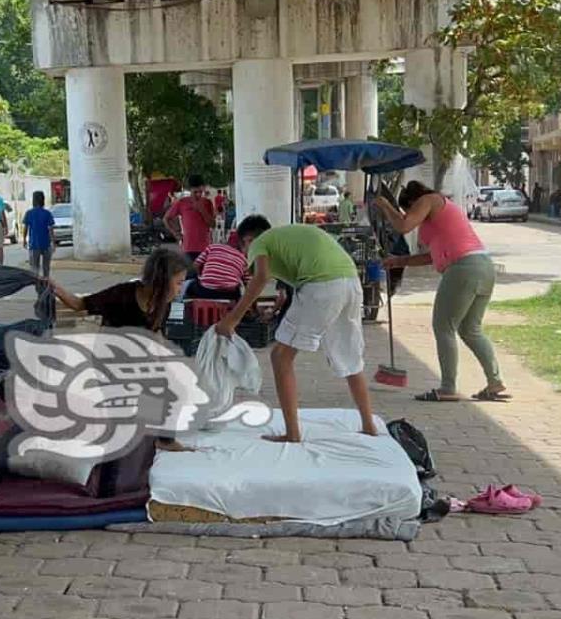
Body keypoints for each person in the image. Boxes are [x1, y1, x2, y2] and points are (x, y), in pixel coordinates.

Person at [215, 216, 377, 441]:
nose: (246, 255)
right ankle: (369, 425)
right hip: (350, 281)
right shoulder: (286, 237)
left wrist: (232, 319)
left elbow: (260, 277)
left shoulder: (260, 243)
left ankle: (292, 433)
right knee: (350, 357)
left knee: (280, 357)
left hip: (321, 285)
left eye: (243, 248)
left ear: (248, 239)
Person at [375, 180, 509, 403]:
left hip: (463, 269)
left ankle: (447, 388)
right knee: (470, 329)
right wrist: (400, 261)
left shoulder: (429, 200)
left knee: (443, 326)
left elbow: (403, 225)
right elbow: (431, 256)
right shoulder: (441, 214)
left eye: (409, 210)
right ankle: (495, 382)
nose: (412, 215)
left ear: (412, 202)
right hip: (483, 267)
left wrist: (385, 206)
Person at [49, 249, 189, 331]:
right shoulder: (120, 295)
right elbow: (80, 304)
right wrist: (55, 287)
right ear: (162, 280)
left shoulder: (164, 304)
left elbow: (157, 335)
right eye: (179, 283)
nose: (180, 289)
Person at [165, 175, 215, 265]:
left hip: (205, 248)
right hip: (188, 247)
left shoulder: (207, 203)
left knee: (204, 276)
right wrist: (176, 234)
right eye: (195, 192)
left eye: (200, 192)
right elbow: (166, 219)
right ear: (190, 190)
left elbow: (212, 224)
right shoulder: (182, 202)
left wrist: (202, 210)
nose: (198, 195)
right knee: (189, 276)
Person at [21, 190, 55, 278]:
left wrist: (24, 240)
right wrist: (53, 242)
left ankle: (37, 284)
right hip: (46, 243)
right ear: (43, 200)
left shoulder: (29, 213)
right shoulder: (47, 213)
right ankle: (46, 283)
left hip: (34, 244)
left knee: (34, 268)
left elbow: (26, 228)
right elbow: (51, 229)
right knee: (46, 268)